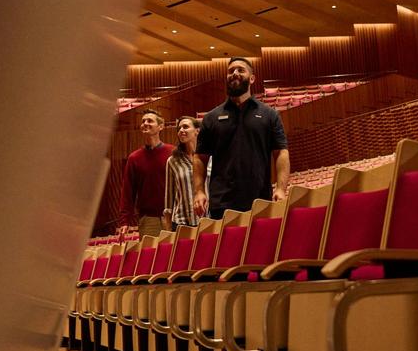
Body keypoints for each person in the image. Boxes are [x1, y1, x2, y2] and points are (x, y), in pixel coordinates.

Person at [193, 57, 289, 219]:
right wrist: (199, 191)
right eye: (231, 71)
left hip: (260, 200)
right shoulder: (211, 117)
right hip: (221, 203)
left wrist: (281, 189)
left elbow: (281, 153)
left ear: (252, 79)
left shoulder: (269, 115)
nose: (235, 73)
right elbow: (200, 158)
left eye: (240, 70)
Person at [118, 108, 174, 237]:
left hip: (174, 216)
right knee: (151, 256)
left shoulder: (173, 153)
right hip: (149, 219)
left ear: (161, 126)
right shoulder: (134, 158)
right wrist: (124, 221)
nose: (145, 123)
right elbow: (128, 191)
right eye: (143, 121)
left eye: (150, 121)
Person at [162, 115, 201, 231]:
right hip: (181, 222)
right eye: (179, 129)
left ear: (197, 131)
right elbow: (169, 199)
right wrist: (168, 228)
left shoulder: (208, 157)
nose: (181, 131)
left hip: (207, 220)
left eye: (185, 127)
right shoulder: (172, 161)